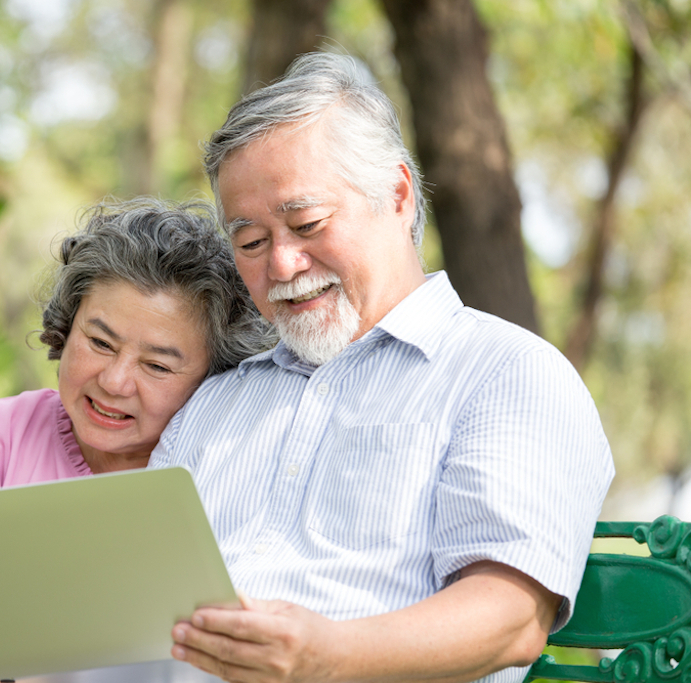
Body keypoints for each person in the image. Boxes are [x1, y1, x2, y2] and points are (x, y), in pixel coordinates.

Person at [150, 52, 616, 683]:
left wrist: (327, 657)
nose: (281, 265)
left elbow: (510, 619)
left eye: (306, 223)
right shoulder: (214, 402)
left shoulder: (506, 373)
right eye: (252, 242)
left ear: (396, 195)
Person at [0, 198, 274, 683]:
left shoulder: (227, 465)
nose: (114, 381)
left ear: (210, 379)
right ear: (66, 327)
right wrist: (79, 576)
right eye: (99, 342)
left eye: (156, 366)